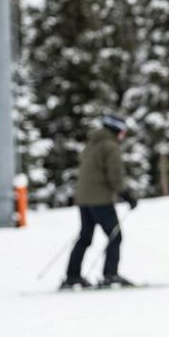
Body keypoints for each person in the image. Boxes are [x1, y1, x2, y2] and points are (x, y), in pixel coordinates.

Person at [62, 114, 139, 289]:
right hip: (100, 199)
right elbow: (114, 175)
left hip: (84, 199)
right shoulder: (110, 146)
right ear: (117, 130)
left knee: (85, 237)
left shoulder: (92, 144)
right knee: (115, 236)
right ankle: (110, 275)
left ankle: (72, 275)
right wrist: (126, 194)